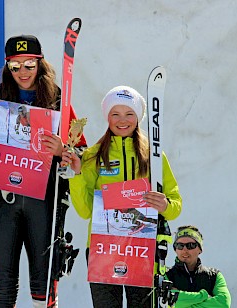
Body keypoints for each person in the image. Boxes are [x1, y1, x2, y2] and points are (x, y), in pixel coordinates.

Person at [0, 34, 86, 308]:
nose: (22, 72)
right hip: (3, 201)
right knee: (2, 286)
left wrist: (63, 150)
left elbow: (80, 151)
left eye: (28, 64)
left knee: (43, 282)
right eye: (15, 66)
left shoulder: (59, 102)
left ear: (40, 64)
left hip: (44, 201)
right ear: (7, 67)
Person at [61, 85, 182, 308]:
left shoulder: (154, 156)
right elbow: (85, 211)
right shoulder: (93, 156)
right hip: (103, 248)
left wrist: (165, 204)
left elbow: (175, 205)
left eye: (129, 114)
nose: (122, 120)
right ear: (107, 116)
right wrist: (76, 175)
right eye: (115, 114)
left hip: (142, 248)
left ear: (138, 116)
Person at [166, 225, 231, 307]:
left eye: (190, 245)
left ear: (200, 249)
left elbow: (223, 303)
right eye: (180, 245)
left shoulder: (214, 275)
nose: (185, 250)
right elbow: (167, 302)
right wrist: (203, 296)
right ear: (175, 249)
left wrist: (182, 301)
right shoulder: (166, 275)